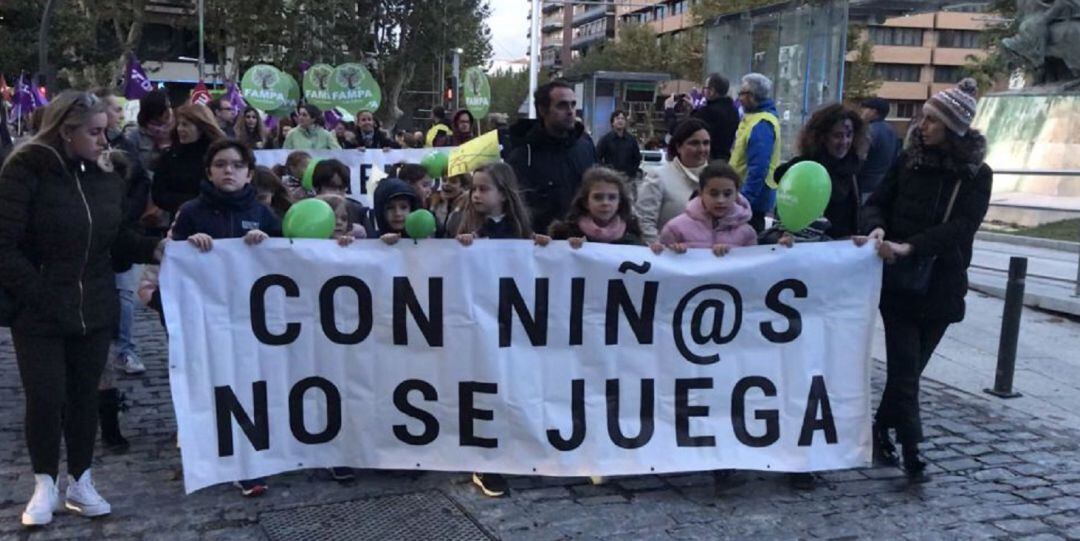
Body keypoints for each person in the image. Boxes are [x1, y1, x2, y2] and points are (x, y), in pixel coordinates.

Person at [0, 91, 164, 527]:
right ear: (66, 131)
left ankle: (81, 480)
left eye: (104, 130)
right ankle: (43, 484)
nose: (103, 138)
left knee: (84, 398)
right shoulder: (23, 172)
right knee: (45, 396)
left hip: (93, 303)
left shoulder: (108, 175)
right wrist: (38, 293)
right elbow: (5, 245)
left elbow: (117, 240)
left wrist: (156, 247)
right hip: (38, 310)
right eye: (94, 132)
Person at [859, 78, 992, 482]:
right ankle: (912, 448)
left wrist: (912, 247)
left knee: (910, 371)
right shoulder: (908, 160)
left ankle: (881, 426)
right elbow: (877, 201)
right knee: (902, 367)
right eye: (924, 117)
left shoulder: (975, 175)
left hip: (942, 283)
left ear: (953, 128)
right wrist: (879, 229)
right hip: (899, 285)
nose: (923, 125)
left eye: (933, 120)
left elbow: (962, 227)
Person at [169, 139, 280, 496]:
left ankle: (249, 463)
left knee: (251, 386)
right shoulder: (190, 212)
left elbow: (291, 260)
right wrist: (189, 246)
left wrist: (270, 244)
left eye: (235, 164)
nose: (228, 170)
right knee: (216, 385)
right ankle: (215, 452)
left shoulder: (263, 215)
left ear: (249, 173)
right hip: (208, 319)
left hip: (253, 321)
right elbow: (171, 262)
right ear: (209, 171)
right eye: (220, 164)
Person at [506, 80, 597, 235]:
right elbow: (514, 204)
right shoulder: (524, 153)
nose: (570, 111)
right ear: (542, 110)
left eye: (573, 105)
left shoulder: (585, 146)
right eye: (562, 105)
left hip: (581, 243)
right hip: (539, 244)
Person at [773, 103, 868, 240]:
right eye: (837, 136)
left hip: (842, 251)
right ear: (822, 137)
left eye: (849, 135)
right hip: (808, 250)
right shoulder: (804, 167)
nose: (844, 142)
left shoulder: (853, 169)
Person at [652, 161, 757, 255]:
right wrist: (666, 250)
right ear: (701, 193)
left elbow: (752, 268)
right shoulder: (675, 228)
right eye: (714, 194)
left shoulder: (747, 234)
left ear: (736, 194)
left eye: (727, 194)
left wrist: (731, 253)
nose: (720, 200)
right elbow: (661, 263)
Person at [634, 118, 711, 244]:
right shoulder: (659, 176)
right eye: (694, 143)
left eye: (706, 143)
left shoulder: (719, 177)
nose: (702, 149)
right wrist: (662, 253)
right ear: (679, 147)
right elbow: (644, 222)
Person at [152, 103, 226, 217]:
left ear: (201, 128)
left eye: (185, 125)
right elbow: (158, 194)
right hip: (181, 218)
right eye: (179, 124)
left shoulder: (218, 155)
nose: (180, 129)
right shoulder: (170, 156)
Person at [730, 73, 781, 233]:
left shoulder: (761, 124)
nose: (739, 98)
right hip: (745, 194)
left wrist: (743, 201)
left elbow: (758, 168)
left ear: (752, 96)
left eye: (742, 93)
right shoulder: (754, 119)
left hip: (750, 200)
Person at [549, 166, 645, 246]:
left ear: (620, 202)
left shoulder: (632, 233)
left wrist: (655, 251)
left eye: (612, 197)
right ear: (586, 202)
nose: (605, 203)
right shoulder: (565, 233)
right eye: (598, 197)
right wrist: (545, 244)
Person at [664, 74, 740, 160]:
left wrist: (669, 110)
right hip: (725, 159)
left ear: (712, 91)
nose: (703, 91)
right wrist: (693, 111)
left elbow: (677, 130)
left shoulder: (708, 112)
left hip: (706, 161)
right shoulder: (733, 111)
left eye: (705, 88)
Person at [311, 159, 369, 238]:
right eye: (332, 187)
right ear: (316, 188)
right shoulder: (305, 210)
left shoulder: (357, 211)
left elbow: (372, 245)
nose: (337, 193)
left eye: (342, 188)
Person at [858, 97, 901, 203]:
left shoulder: (869, 131)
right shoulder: (892, 131)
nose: (861, 111)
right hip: (882, 186)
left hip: (864, 186)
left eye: (864, 108)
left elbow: (859, 159)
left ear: (874, 112)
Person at [595, 110, 643, 187]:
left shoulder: (631, 140)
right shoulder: (605, 139)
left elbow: (637, 158)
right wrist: (606, 171)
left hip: (628, 179)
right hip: (610, 179)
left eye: (622, 118)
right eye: (617, 118)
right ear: (612, 122)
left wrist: (631, 172)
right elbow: (597, 158)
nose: (620, 120)